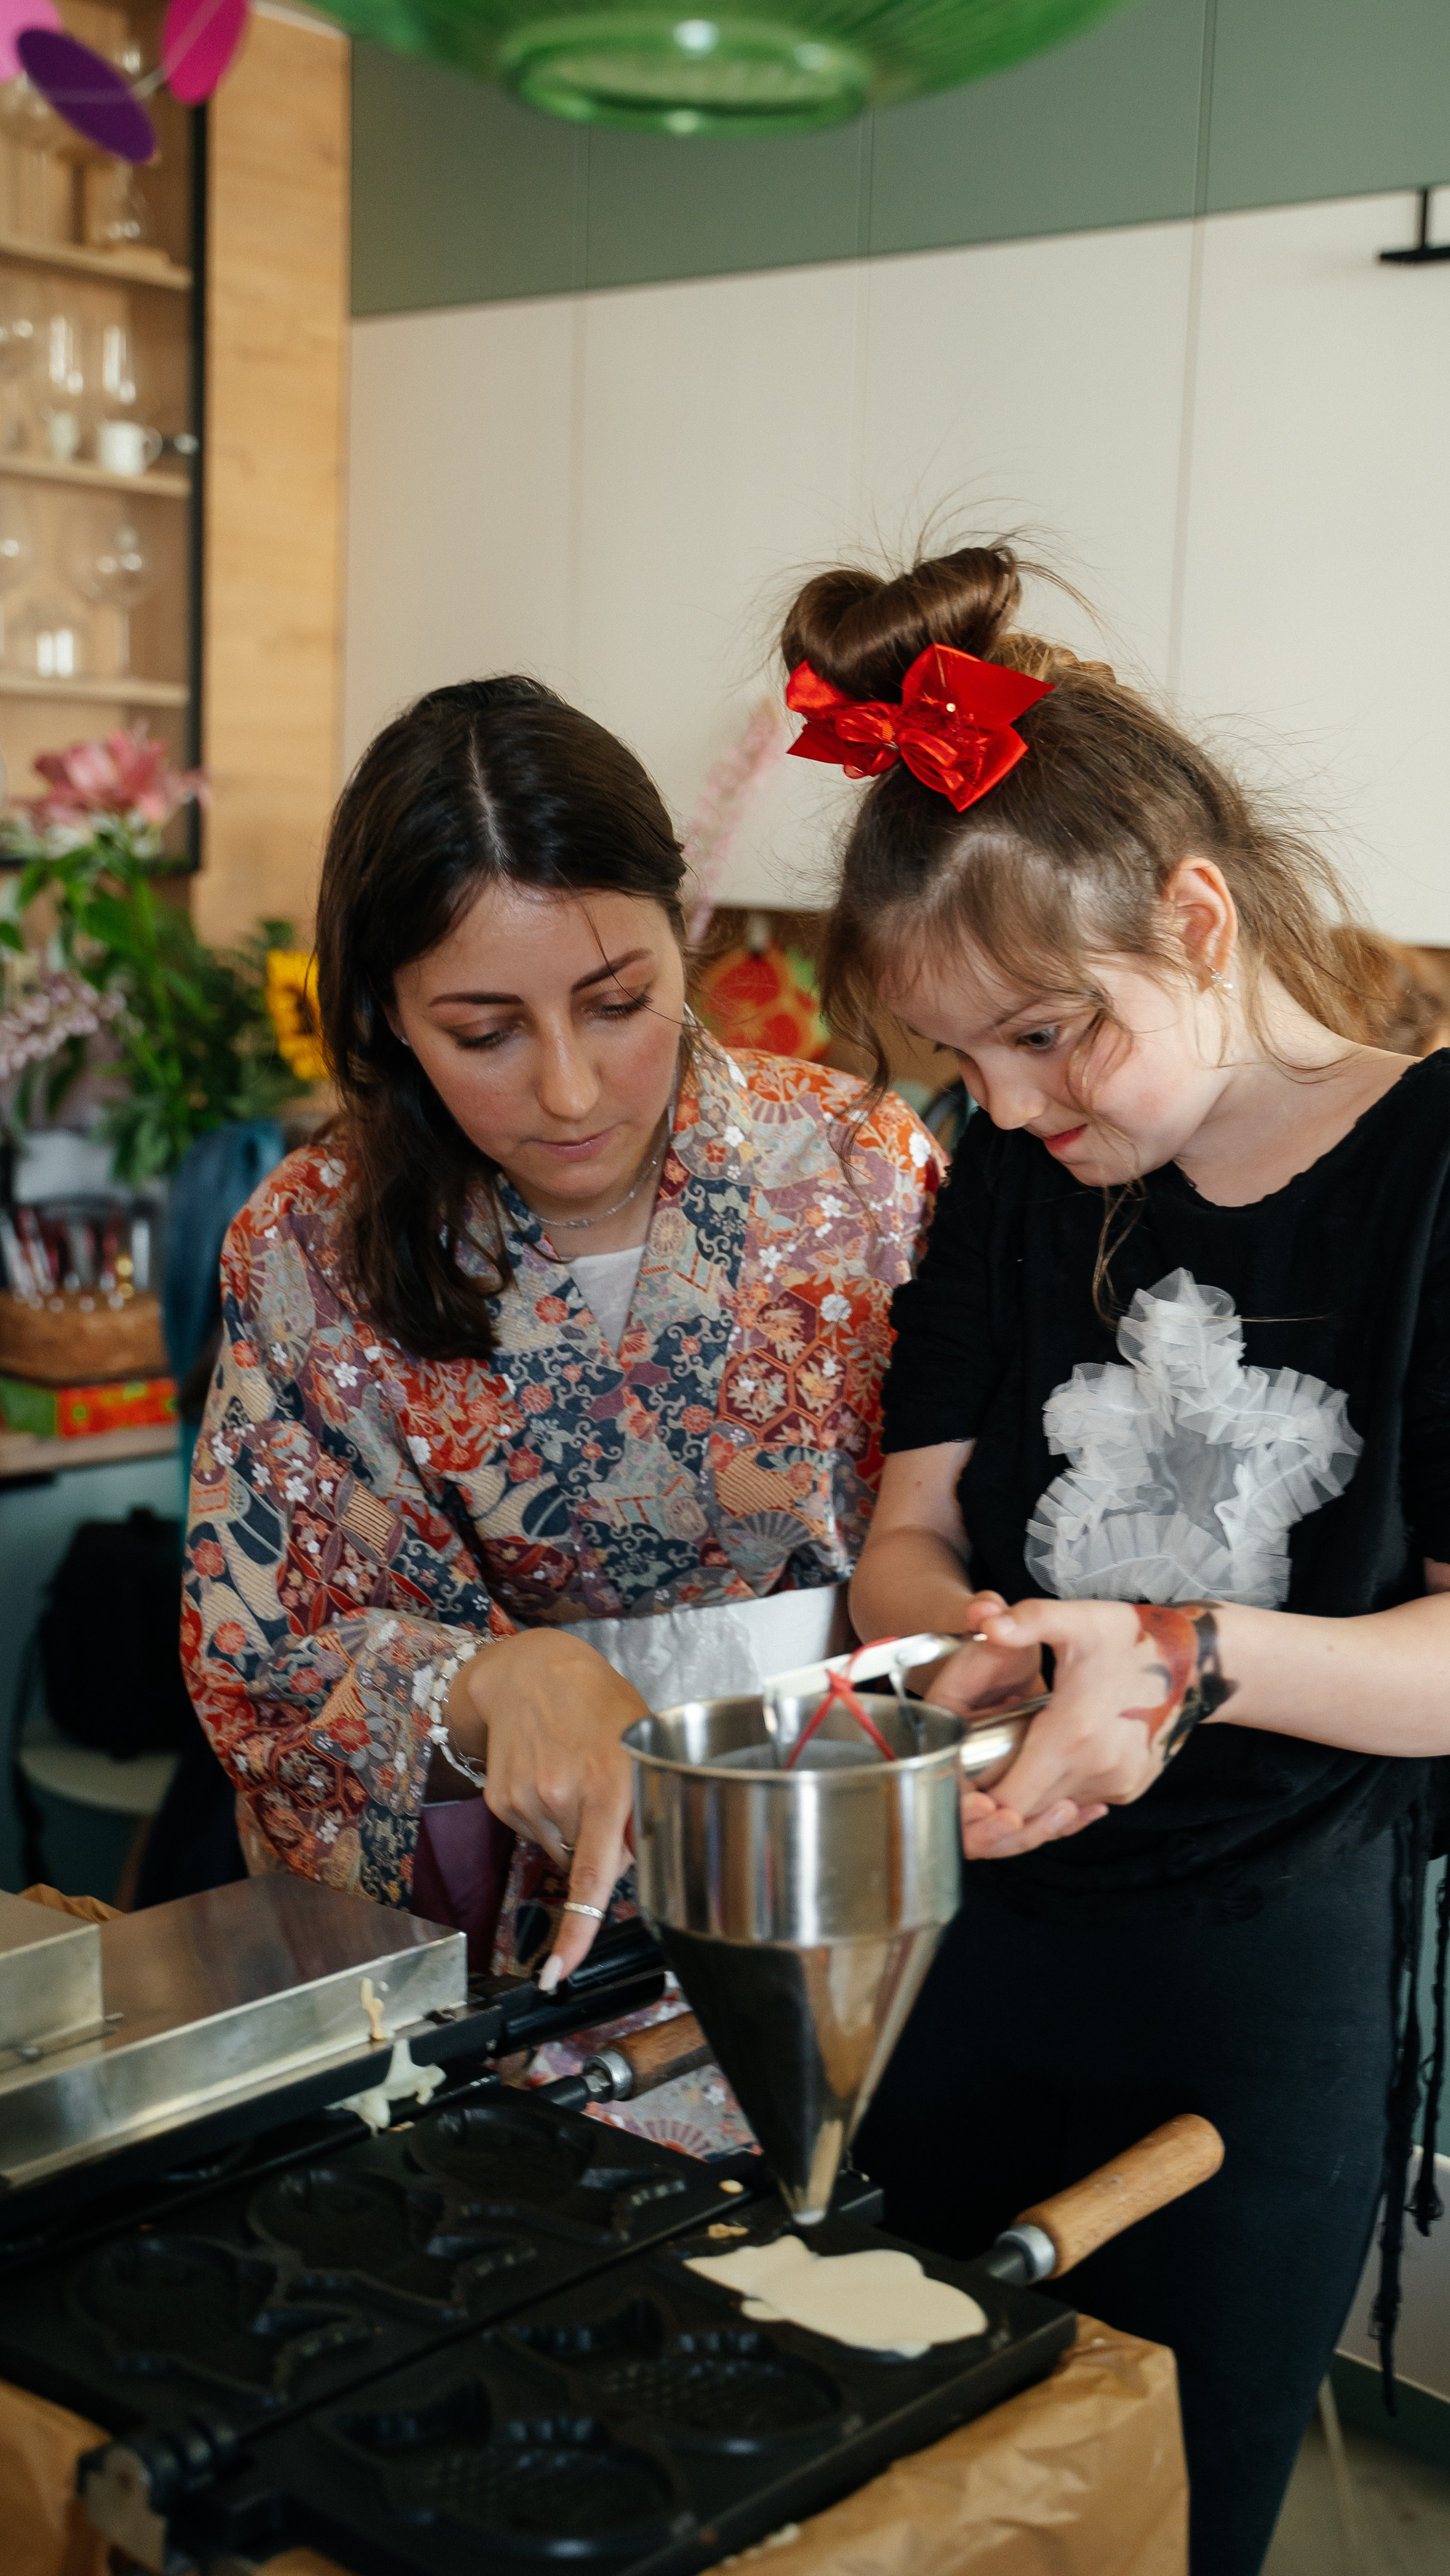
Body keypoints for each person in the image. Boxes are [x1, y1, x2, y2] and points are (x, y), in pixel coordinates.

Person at [778, 542, 1450, 2576]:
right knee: (909, 2498)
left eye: (1052, 1038)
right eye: (961, 1063)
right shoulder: (1010, 1163)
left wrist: (1169, 1651)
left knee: (1160, 2517)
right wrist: (968, 1653)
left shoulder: (1427, 1173)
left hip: (1258, 1987)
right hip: (960, 1938)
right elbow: (905, 1536)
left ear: (1195, 913)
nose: (1006, 1107)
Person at [181, 676, 939, 1992]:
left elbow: (994, 1551)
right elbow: (264, 1665)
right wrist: (488, 1682)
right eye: (484, 1031)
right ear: (386, 1017)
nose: (571, 1089)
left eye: (615, 1000)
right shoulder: (308, 1245)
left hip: (845, 1894)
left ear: (679, 934)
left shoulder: (863, 1174)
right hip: (507, 1971)